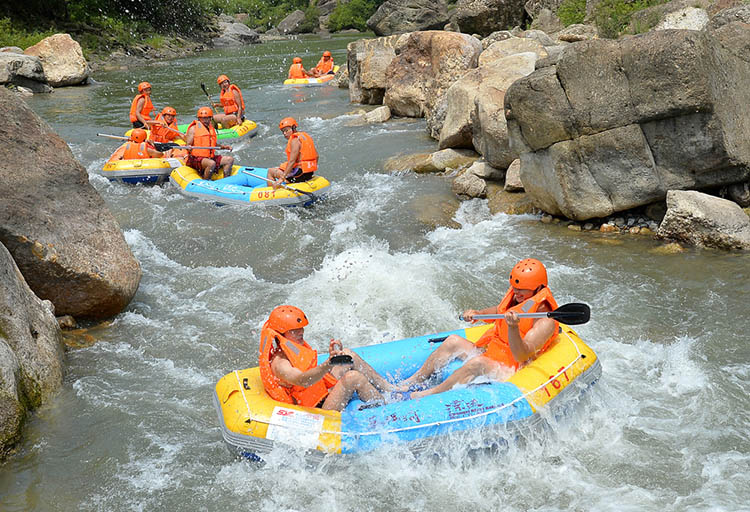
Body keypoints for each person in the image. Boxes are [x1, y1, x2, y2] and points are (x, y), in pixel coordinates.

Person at [398, 258, 560, 399]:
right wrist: (478, 314)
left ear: (538, 289)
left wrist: (513, 328)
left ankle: (429, 394)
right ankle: (412, 381)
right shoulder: (520, 298)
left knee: (477, 363)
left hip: (511, 368)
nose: (516, 292)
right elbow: (499, 311)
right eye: (514, 288)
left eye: (521, 289)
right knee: (453, 341)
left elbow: (521, 355)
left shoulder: (545, 320)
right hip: (496, 353)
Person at [259, 305, 396, 411]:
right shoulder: (281, 364)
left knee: (348, 355)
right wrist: (328, 364)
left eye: (301, 328)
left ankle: (390, 388)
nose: (301, 332)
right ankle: (387, 405)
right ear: (280, 334)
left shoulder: (291, 348)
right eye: (294, 330)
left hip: (320, 392)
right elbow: (303, 381)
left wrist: (335, 356)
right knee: (353, 377)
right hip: (315, 408)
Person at [185, 107, 234, 180]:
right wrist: (189, 147)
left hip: (209, 157)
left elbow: (213, 144)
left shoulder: (211, 128)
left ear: (210, 118)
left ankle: (226, 180)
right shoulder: (194, 129)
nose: (205, 120)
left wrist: (224, 147)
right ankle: (206, 181)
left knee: (229, 159)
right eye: (203, 118)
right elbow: (187, 144)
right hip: (196, 159)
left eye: (207, 118)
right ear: (199, 118)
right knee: (211, 163)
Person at [267, 117, 318, 187]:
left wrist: (281, 179)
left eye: (286, 130)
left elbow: (292, 161)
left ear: (294, 128)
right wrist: (309, 169)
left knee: (270, 171)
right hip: (309, 173)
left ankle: (271, 192)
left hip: (299, 175)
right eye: (283, 131)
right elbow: (316, 156)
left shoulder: (295, 140)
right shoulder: (305, 137)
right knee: (281, 167)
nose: (284, 133)